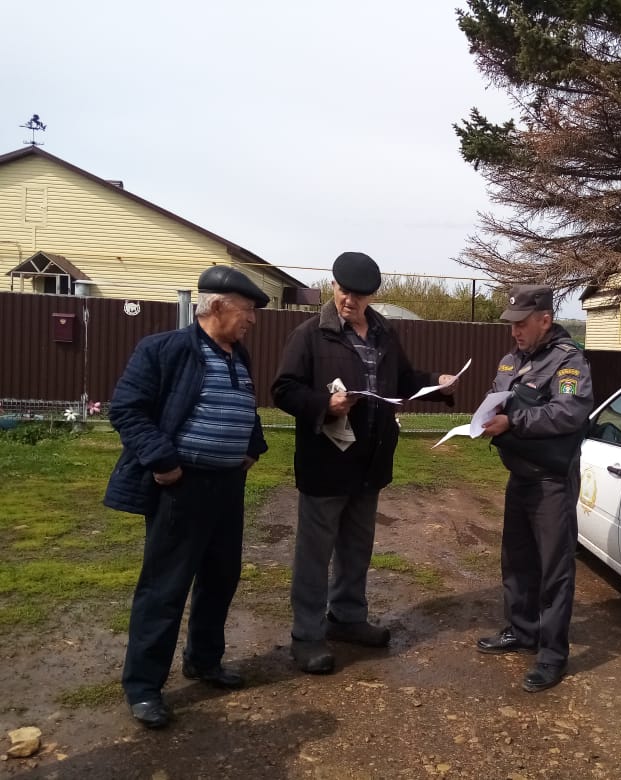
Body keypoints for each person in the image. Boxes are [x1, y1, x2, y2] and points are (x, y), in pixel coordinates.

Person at [272, 251, 456, 674]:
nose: (348, 300)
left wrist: (438, 384)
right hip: (326, 462)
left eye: (358, 295)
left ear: (371, 296)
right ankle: (307, 635)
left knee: (357, 548)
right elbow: (283, 390)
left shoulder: (384, 333)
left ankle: (347, 617)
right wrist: (324, 404)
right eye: (343, 291)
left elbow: (403, 380)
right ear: (333, 285)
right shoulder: (310, 334)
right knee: (315, 554)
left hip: (370, 462)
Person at [104, 265, 270, 729]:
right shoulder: (164, 349)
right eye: (247, 310)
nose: (252, 319)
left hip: (227, 487)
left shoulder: (238, 355)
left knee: (221, 578)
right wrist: (162, 460)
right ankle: (143, 687)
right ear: (215, 306)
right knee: (165, 587)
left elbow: (243, 407)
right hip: (182, 486)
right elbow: (127, 410)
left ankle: (204, 660)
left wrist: (252, 447)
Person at [477, 284, 594, 692]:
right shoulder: (512, 359)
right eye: (511, 324)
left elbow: (569, 412)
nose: (515, 332)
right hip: (520, 475)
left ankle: (552, 655)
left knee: (554, 570)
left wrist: (515, 421)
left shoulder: (568, 361)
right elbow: (496, 395)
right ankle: (522, 630)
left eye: (522, 324)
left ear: (545, 320)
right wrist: (487, 414)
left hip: (551, 482)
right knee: (517, 560)